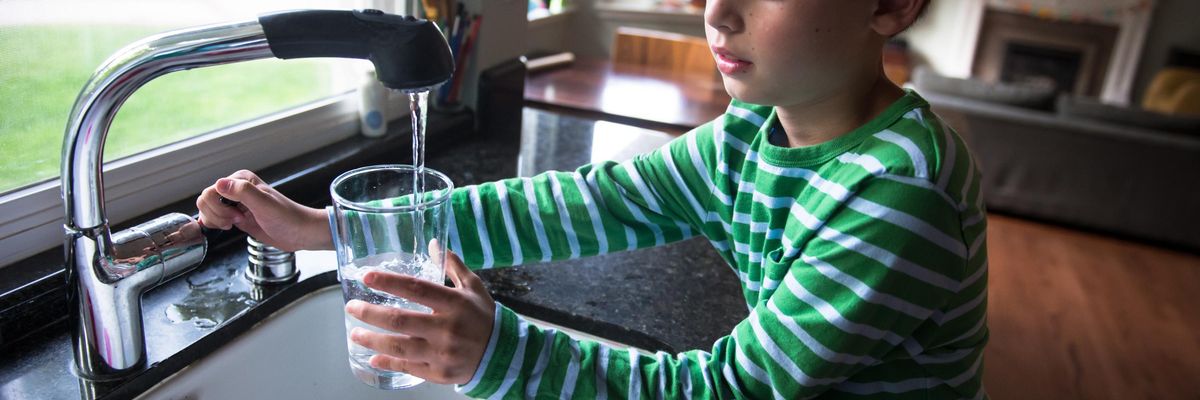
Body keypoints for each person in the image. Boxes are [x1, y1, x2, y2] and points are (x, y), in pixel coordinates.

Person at [196, 0, 988, 398]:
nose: (717, 11)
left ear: (889, 5)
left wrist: (496, 354)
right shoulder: (751, 131)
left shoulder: (897, 193)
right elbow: (588, 204)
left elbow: (726, 393)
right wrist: (324, 230)